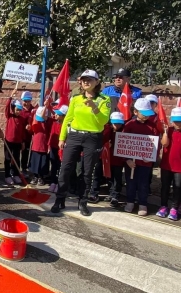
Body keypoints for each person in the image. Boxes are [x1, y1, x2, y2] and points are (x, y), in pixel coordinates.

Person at [51, 70, 112, 217]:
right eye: (84, 79)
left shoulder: (105, 99)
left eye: (90, 79)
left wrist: (94, 107)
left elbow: (104, 121)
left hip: (93, 137)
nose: (86, 82)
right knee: (65, 168)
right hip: (75, 136)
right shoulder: (76, 98)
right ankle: (60, 199)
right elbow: (67, 119)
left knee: (86, 172)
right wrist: (62, 138)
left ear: (97, 82)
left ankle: (83, 201)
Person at [122, 98, 160, 216]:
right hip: (131, 162)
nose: (146, 116)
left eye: (148, 114)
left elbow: (156, 145)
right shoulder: (129, 125)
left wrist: (152, 156)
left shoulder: (153, 127)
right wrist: (127, 159)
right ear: (135, 112)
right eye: (144, 113)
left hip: (146, 162)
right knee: (131, 182)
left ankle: (143, 204)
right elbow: (123, 143)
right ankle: (130, 201)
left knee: (143, 184)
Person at [157, 107, 181, 221]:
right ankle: (163, 206)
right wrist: (165, 132)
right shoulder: (169, 130)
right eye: (176, 121)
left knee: (178, 187)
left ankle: (174, 208)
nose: (178, 124)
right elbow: (164, 144)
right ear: (172, 120)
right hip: (167, 164)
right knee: (165, 186)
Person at [3, 97, 27, 185]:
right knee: (8, 158)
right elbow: (6, 108)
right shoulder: (10, 116)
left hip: (17, 142)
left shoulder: (21, 119)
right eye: (17, 110)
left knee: (16, 159)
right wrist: (10, 98)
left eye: (20, 110)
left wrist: (23, 142)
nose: (18, 112)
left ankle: (16, 174)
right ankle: (7, 175)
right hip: (8, 141)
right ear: (13, 109)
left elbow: (22, 132)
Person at [104, 111, 127, 206]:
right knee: (109, 177)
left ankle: (115, 195)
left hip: (118, 160)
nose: (116, 125)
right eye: (115, 123)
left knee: (117, 178)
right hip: (109, 159)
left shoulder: (124, 132)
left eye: (119, 123)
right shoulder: (108, 130)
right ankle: (111, 193)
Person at [29, 106, 52, 186]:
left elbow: (44, 117)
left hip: (44, 146)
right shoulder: (36, 121)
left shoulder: (48, 122)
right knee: (35, 163)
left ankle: (41, 177)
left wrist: (46, 106)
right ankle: (35, 176)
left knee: (43, 163)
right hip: (36, 146)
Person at [48, 105, 68, 192]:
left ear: (64, 116)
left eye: (59, 114)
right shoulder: (54, 123)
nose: (56, 115)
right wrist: (49, 146)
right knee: (53, 165)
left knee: (60, 166)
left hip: (61, 149)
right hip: (53, 147)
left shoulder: (67, 126)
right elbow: (51, 135)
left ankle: (59, 184)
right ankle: (53, 182)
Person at [20, 91, 35, 174]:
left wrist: (31, 127)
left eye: (28, 101)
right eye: (25, 101)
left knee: (25, 153)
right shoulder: (19, 109)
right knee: (16, 153)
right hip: (19, 135)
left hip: (27, 136)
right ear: (22, 100)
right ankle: (14, 169)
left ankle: (24, 168)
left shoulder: (33, 110)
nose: (27, 103)